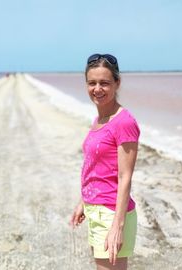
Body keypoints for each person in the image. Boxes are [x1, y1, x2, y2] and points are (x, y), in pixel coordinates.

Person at [69, 53, 140, 270]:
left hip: (111, 212)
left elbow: (124, 175)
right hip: (95, 208)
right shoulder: (99, 119)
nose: (97, 89)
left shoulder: (124, 122)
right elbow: (98, 167)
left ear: (117, 83)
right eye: (92, 83)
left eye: (104, 83)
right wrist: (84, 201)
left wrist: (117, 226)